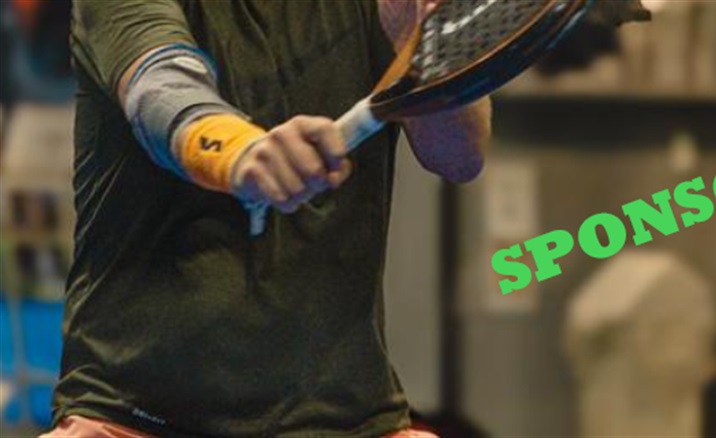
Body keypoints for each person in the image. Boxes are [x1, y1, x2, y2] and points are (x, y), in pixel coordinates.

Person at [45, 0, 490, 437]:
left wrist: (421, 45)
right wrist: (240, 153)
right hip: (132, 414)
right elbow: (159, 89)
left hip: (346, 416)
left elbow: (459, 157)